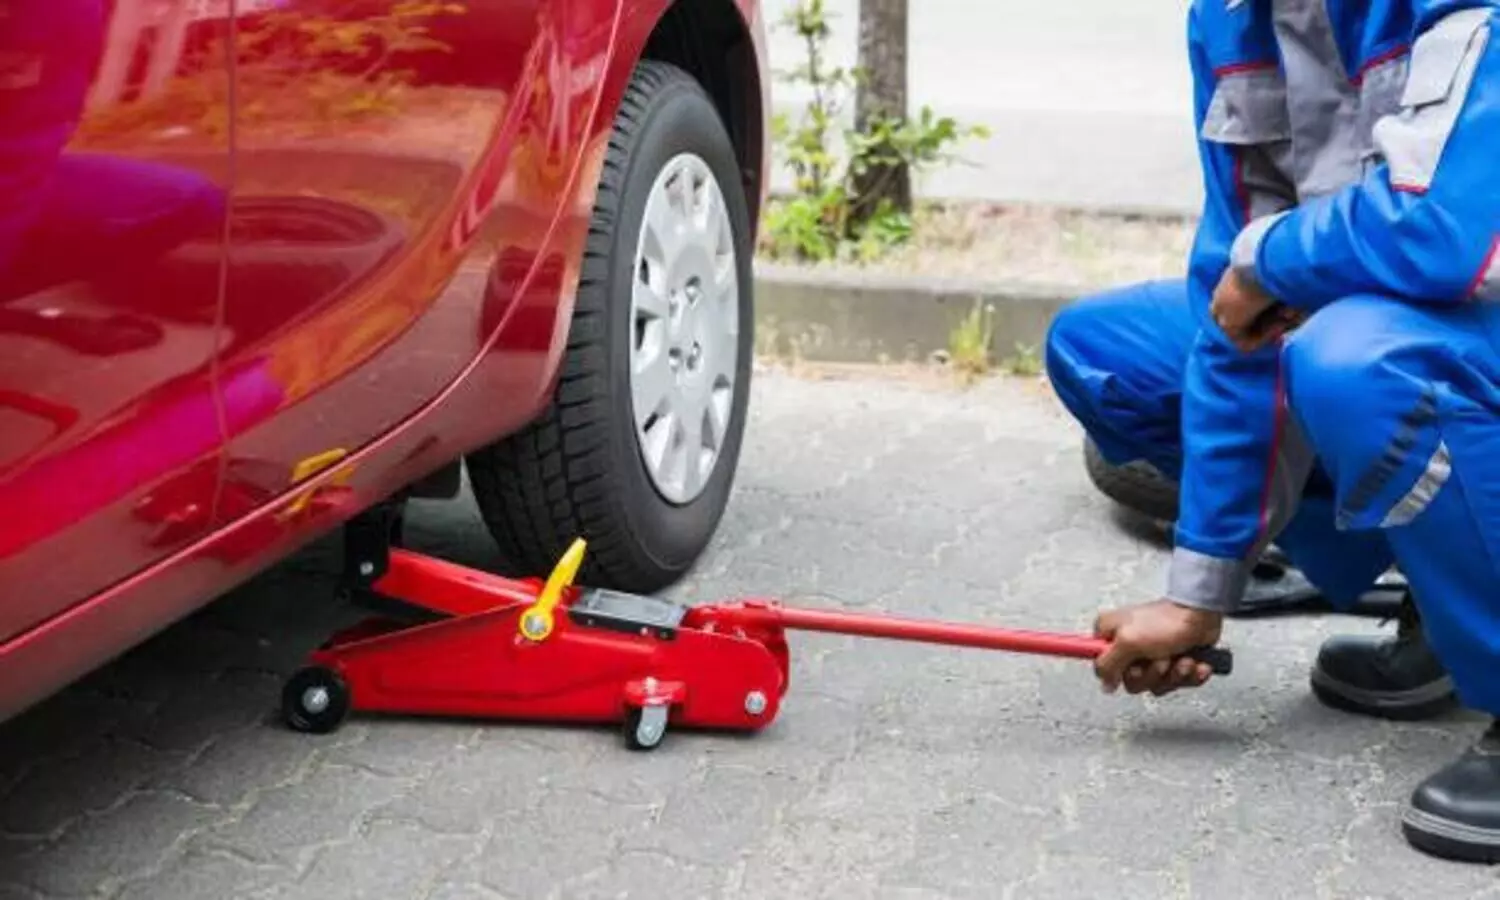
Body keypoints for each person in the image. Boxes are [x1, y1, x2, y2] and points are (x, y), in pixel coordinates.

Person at [1044, 0, 1500, 863]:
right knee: (1108, 354)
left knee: (1356, 361)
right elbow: (1237, 299)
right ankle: (1444, 598)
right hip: (1419, 319)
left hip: (1468, 307)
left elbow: (1443, 231)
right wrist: (1198, 593)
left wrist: (1275, 263)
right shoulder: (1232, 16)